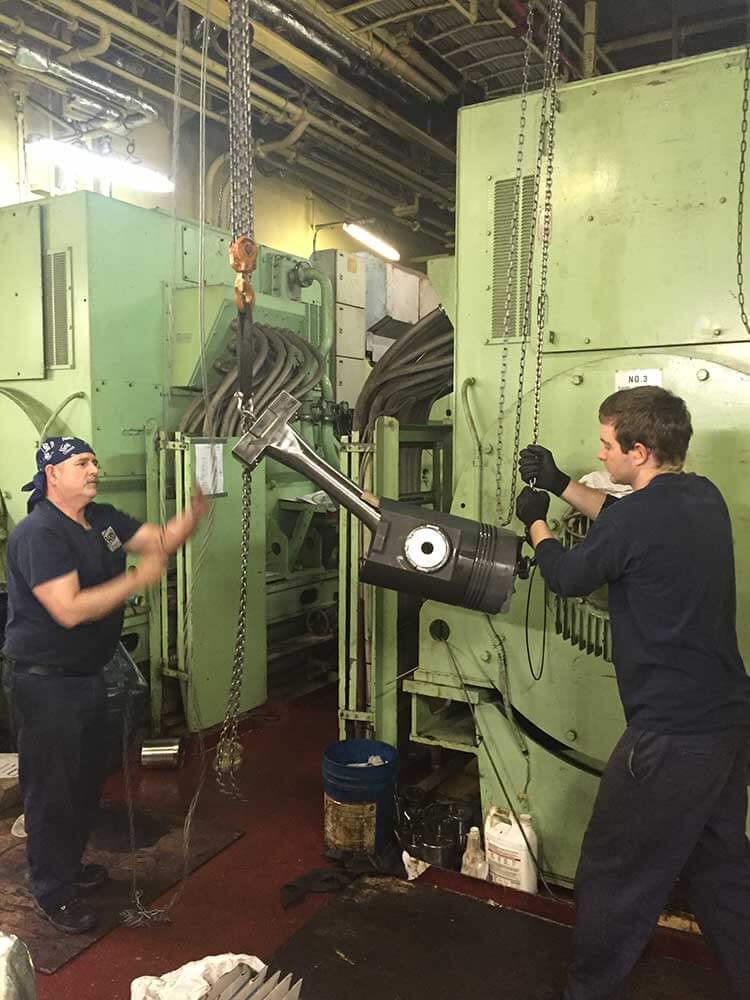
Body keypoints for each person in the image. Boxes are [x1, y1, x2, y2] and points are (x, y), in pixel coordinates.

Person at [514, 386, 750, 1000]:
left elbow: (566, 575)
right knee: (720, 867)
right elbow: (622, 519)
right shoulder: (703, 498)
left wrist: (535, 521)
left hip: (669, 738)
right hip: (727, 721)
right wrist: (564, 482)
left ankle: (589, 992)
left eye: (605, 445)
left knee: (615, 871)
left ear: (638, 452)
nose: (601, 451)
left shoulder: (638, 520)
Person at [2, 436, 208, 934]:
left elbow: (159, 541)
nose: (94, 469)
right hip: (45, 683)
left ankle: (70, 867)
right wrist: (139, 580)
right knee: (52, 790)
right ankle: (52, 891)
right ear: (53, 474)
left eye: (95, 460)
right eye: (82, 463)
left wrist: (200, 501)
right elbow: (68, 609)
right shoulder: (39, 533)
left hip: (90, 675)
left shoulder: (103, 518)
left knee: (87, 780)